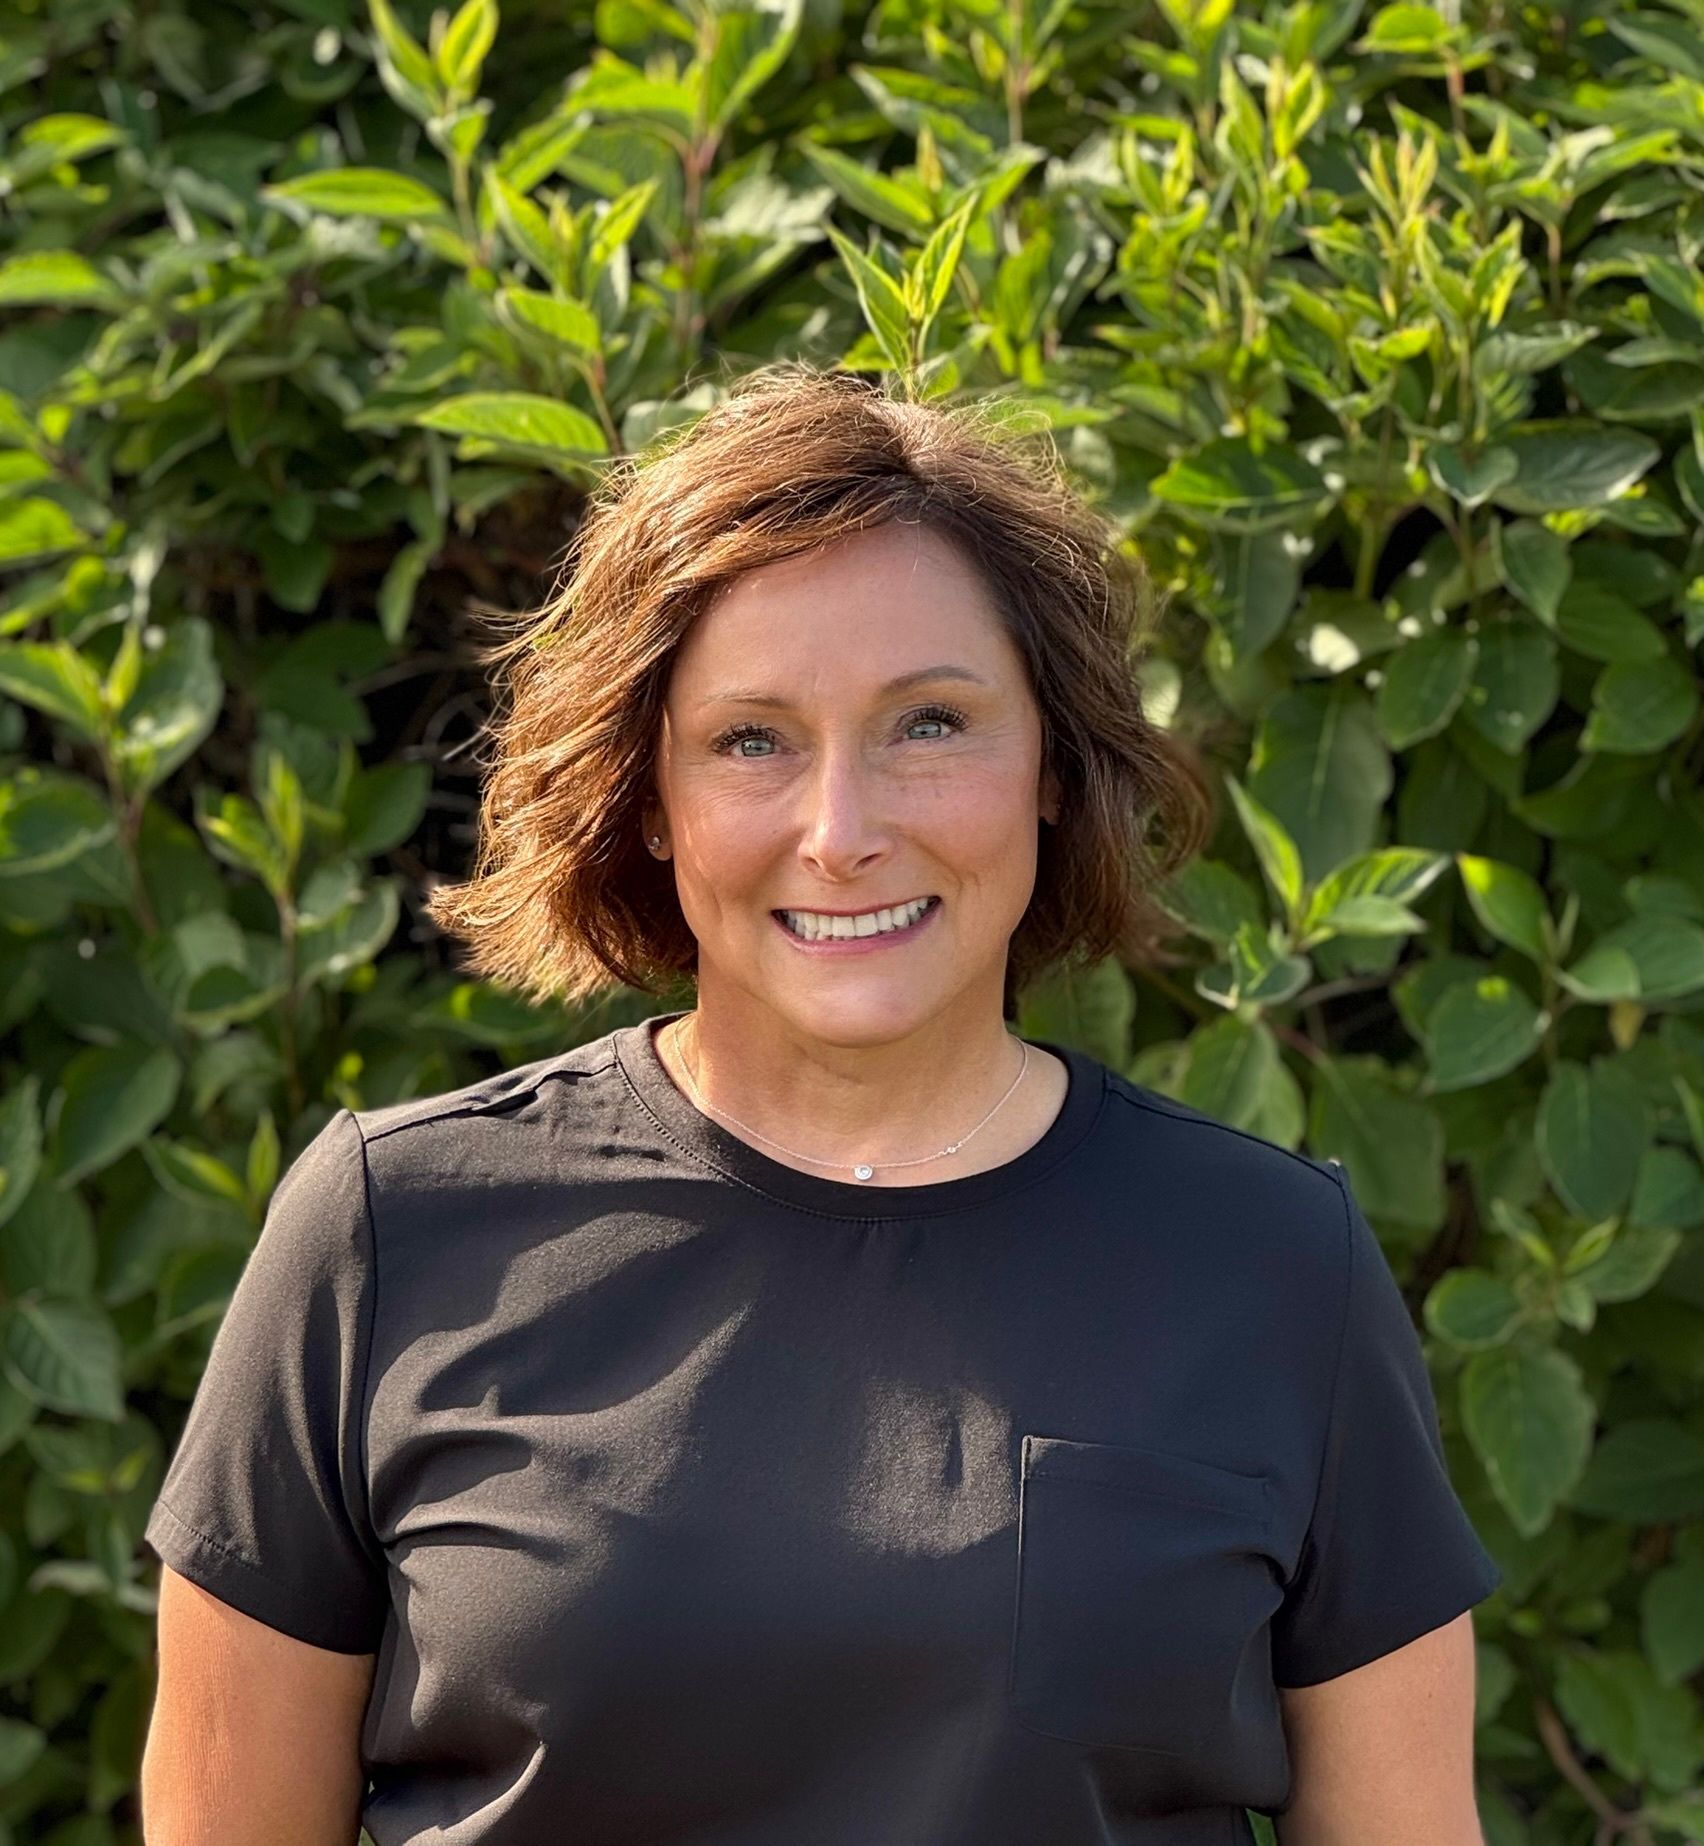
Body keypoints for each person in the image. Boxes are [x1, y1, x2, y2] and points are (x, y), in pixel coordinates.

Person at [141, 361, 1500, 1845]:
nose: (842, 831)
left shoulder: (1272, 1264)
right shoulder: (392, 1235)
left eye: (931, 723)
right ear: (649, 798)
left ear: (1053, 765)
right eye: (752, 739)